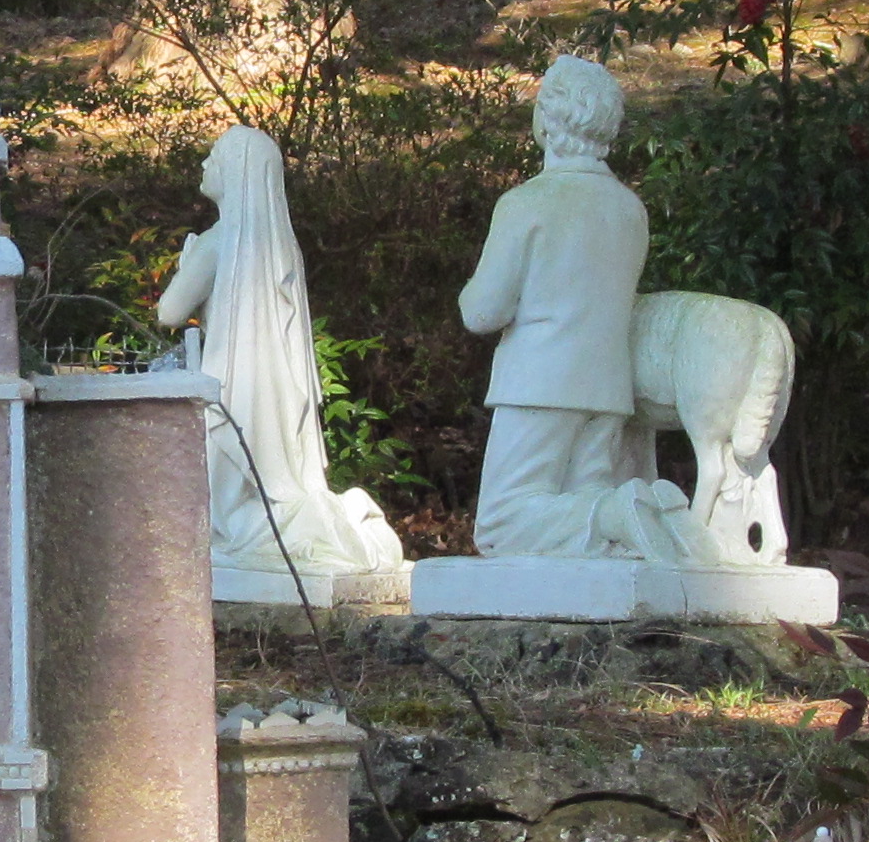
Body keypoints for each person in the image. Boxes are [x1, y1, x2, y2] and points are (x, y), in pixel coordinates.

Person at [155, 126, 406, 599]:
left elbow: (169, 312)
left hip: (232, 384)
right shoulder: (281, 243)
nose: (206, 166)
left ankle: (243, 536)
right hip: (278, 387)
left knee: (224, 506)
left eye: (213, 158)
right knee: (261, 485)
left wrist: (187, 259)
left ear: (234, 172)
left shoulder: (217, 240)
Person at [458, 55, 669, 557]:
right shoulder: (629, 209)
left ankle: (618, 511)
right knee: (578, 528)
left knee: (502, 525)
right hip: (608, 387)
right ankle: (621, 510)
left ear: (547, 121)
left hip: (539, 383)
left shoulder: (528, 202)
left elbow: (482, 313)